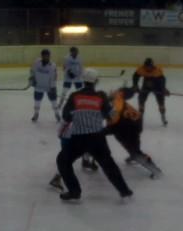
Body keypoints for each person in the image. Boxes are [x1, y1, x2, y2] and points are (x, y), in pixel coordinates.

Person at [56, 69, 133, 201]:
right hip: (97, 138)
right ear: (96, 81)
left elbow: (66, 116)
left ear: (83, 81)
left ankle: (74, 191)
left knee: (63, 161)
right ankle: (124, 190)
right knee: (109, 165)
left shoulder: (74, 96)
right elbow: (112, 115)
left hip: (78, 139)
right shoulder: (101, 96)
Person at [105, 86, 161, 177]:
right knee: (122, 139)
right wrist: (133, 89)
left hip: (131, 126)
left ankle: (156, 171)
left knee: (134, 150)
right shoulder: (116, 96)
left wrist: (102, 131)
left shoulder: (115, 107)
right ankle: (133, 153)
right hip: (133, 122)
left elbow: (112, 125)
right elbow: (124, 91)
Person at [132, 58, 169, 126]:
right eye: (146, 66)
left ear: (152, 66)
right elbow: (135, 76)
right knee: (141, 99)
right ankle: (141, 117)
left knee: (161, 102)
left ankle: (163, 116)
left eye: (149, 66)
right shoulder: (141, 69)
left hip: (157, 86)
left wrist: (163, 89)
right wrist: (135, 85)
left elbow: (162, 79)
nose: (148, 68)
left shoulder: (157, 70)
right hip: (146, 86)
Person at [29, 49, 60, 123]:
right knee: (37, 102)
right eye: (44, 56)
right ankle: (36, 113)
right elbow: (32, 71)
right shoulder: (36, 62)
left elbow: (54, 78)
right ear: (42, 56)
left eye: (47, 56)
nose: (46, 57)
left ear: (49, 56)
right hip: (39, 86)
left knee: (54, 102)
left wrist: (53, 87)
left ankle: (57, 114)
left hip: (49, 87)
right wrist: (32, 79)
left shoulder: (52, 65)